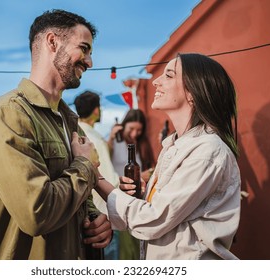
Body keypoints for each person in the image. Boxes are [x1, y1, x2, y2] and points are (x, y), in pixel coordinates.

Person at [0, 9, 112, 260]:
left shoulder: (68, 121)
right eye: (84, 48)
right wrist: (84, 164)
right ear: (52, 42)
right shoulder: (8, 116)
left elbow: (79, 196)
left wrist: (96, 219)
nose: (90, 62)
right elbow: (36, 213)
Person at [95, 53, 241, 259]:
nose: (156, 81)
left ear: (192, 92)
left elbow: (153, 219)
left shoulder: (207, 151)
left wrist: (95, 177)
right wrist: (142, 196)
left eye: (169, 75)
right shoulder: (174, 145)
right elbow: (167, 211)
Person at [74, 90, 120, 260]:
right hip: (102, 217)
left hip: (84, 214)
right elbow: (110, 180)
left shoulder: (77, 135)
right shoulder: (93, 139)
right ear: (96, 110)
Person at [107, 108, 156, 260]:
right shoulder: (115, 140)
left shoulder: (141, 144)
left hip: (137, 200)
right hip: (117, 199)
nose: (135, 133)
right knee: (124, 251)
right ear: (123, 125)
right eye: (131, 129)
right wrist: (110, 137)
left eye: (139, 130)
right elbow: (104, 165)